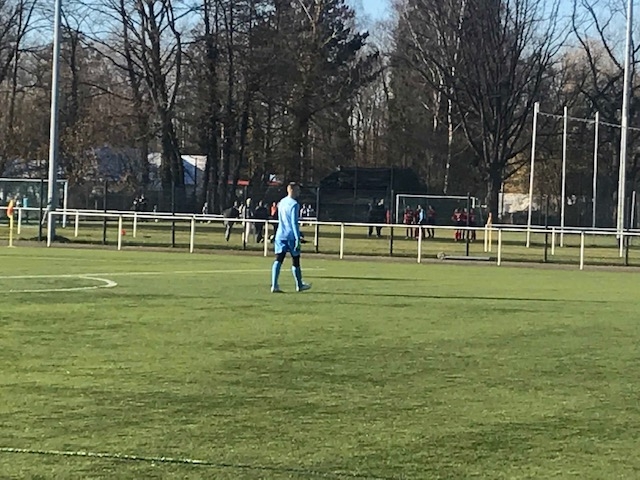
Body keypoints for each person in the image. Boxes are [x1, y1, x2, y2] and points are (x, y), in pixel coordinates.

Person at [271, 183, 311, 293]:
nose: (299, 192)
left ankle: (274, 285)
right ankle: (299, 285)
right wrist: (297, 237)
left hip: (280, 234)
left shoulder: (281, 202)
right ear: (292, 190)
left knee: (278, 259)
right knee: (295, 260)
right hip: (291, 236)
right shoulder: (294, 204)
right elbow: (294, 222)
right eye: (297, 190)